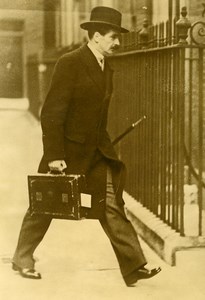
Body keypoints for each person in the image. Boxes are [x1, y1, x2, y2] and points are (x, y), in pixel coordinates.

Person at [12, 6, 161, 286]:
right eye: (112, 37)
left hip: (95, 152)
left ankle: (134, 265)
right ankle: (22, 258)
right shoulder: (71, 62)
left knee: (110, 203)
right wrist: (55, 155)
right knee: (44, 205)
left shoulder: (106, 67)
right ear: (94, 36)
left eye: (118, 36)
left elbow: (98, 119)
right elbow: (52, 111)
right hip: (66, 152)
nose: (117, 42)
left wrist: (106, 150)